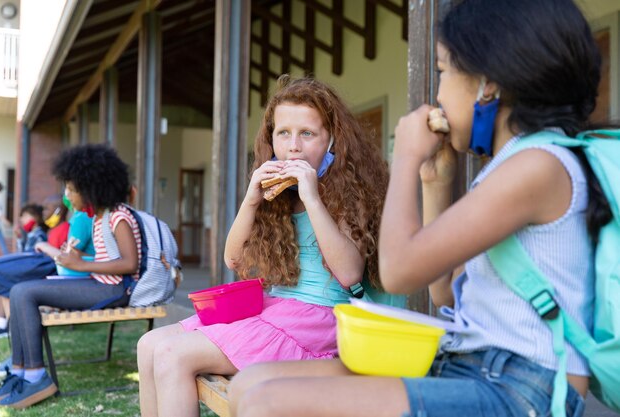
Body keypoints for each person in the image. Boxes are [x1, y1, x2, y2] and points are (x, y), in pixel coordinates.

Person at [228, 1, 608, 416]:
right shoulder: (513, 163)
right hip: (473, 365)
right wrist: (436, 184)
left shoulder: (538, 165)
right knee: (252, 382)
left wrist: (405, 158)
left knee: (268, 402)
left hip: (524, 386)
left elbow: (397, 272)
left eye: (444, 72)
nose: (439, 92)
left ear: (487, 86)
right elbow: (443, 291)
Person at [136, 75, 389, 417]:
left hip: (322, 321)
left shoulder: (346, 193)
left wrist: (312, 197)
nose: (293, 146)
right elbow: (233, 258)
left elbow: (348, 274)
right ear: (271, 139)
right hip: (276, 310)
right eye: (283, 133)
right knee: (150, 343)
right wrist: (251, 200)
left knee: (173, 354)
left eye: (307, 134)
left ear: (332, 141)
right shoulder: (275, 196)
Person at [0, 144, 141, 409]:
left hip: (116, 290)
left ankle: (36, 377)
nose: (66, 195)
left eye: (71, 189)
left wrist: (81, 265)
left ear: (91, 188)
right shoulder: (99, 217)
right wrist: (76, 262)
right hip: (100, 284)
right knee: (19, 290)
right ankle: (20, 373)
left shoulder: (118, 216)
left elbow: (130, 263)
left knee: (25, 292)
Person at [0, 195, 94, 342]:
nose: (44, 212)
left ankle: (7, 326)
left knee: (8, 280)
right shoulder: (52, 231)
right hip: (46, 266)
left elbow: (64, 257)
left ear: (59, 210)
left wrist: (45, 247)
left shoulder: (67, 227)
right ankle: (3, 324)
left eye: (47, 208)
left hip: (51, 270)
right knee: (4, 278)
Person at [0, 181, 9, 255]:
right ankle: (7, 255)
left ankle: (7, 255)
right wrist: (5, 221)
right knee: (1, 240)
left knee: (1, 240)